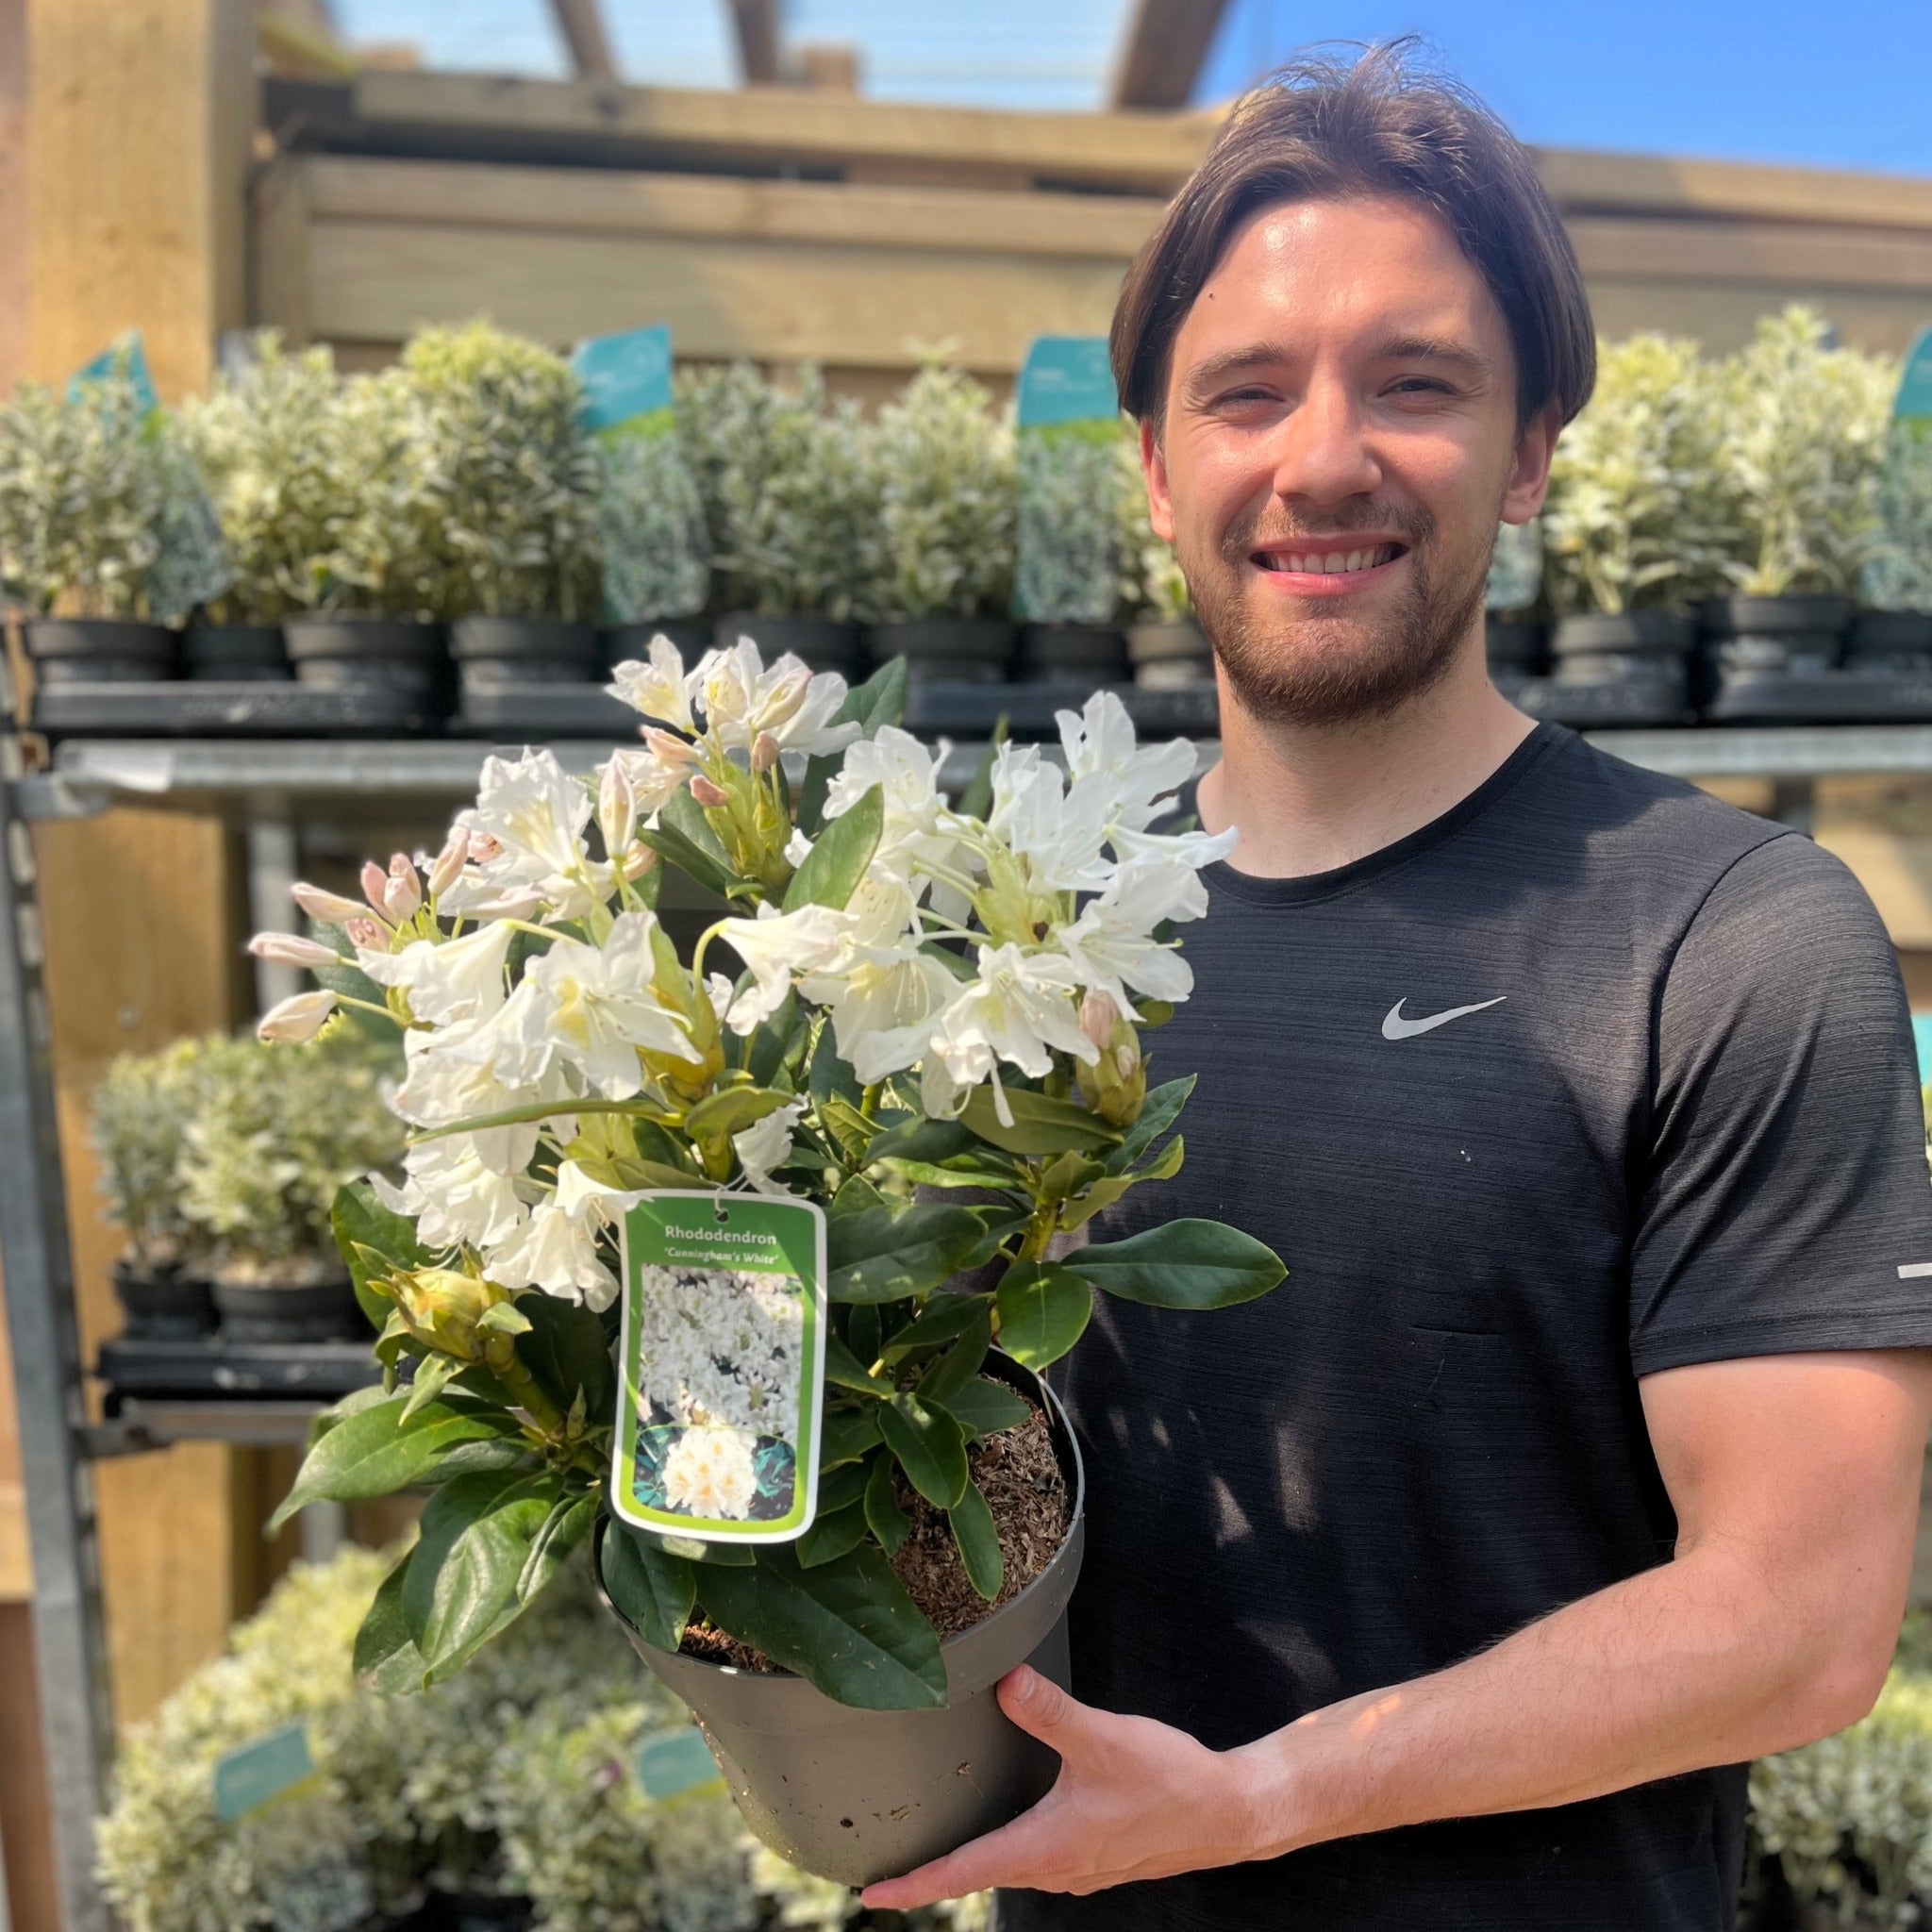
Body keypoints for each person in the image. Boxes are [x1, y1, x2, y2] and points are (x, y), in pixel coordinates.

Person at [860, 42, 1932, 1932]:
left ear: (1529, 454)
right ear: (1154, 462)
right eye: (1246, 392)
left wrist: (1262, 1797)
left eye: (1416, 385)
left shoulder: (1725, 938)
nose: (1322, 456)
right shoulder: (999, 944)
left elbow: (1797, 1620)